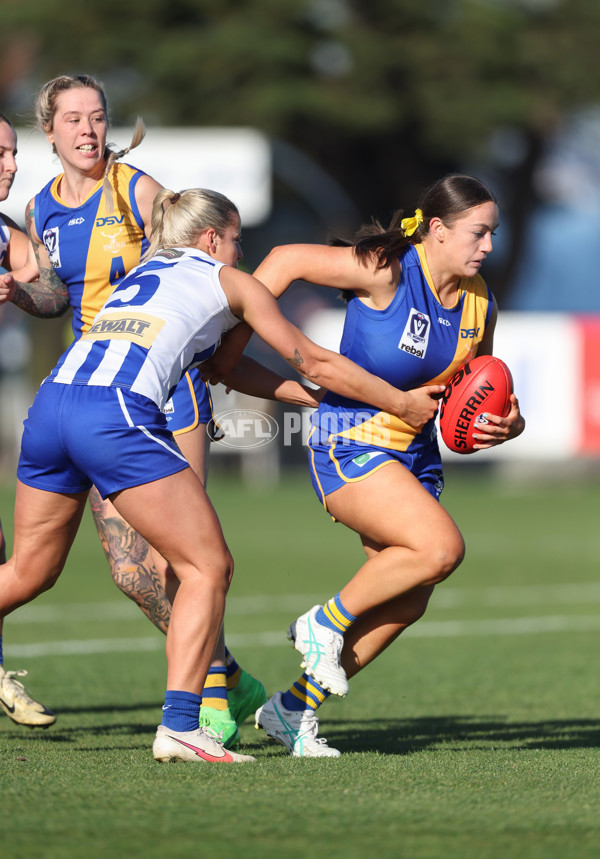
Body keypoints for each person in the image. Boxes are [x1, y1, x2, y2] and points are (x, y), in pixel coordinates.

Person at [0, 186, 444, 763]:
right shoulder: (230, 282)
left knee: (28, 571)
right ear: (213, 238)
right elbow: (308, 355)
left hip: (50, 410)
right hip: (112, 414)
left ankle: (191, 718)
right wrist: (399, 404)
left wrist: (310, 400)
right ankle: (182, 725)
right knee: (207, 566)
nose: (241, 252)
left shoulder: (144, 271)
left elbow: (221, 368)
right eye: (236, 240)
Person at [4, 74, 264, 747]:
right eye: (73, 120)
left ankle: (204, 703)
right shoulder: (39, 210)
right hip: (95, 390)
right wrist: (18, 293)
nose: (88, 130)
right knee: (131, 572)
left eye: (98, 116)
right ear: (50, 130)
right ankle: (227, 675)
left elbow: (186, 274)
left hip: (164, 388)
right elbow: (55, 298)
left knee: (183, 557)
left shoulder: (138, 191)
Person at [250, 173, 525, 757]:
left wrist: (507, 424)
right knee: (441, 549)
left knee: (410, 594)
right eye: (479, 233)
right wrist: (225, 330)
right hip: (350, 440)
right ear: (438, 230)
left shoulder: (482, 303)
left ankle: (292, 710)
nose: (489, 247)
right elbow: (283, 259)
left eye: (493, 234)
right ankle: (323, 623)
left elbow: (483, 389)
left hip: (416, 456)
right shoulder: (387, 269)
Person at [0, 111, 56, 728]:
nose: (11, 164)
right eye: (0, 154)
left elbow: (47, 281)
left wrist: (19, 287)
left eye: (13, 153)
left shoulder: (5, 229)